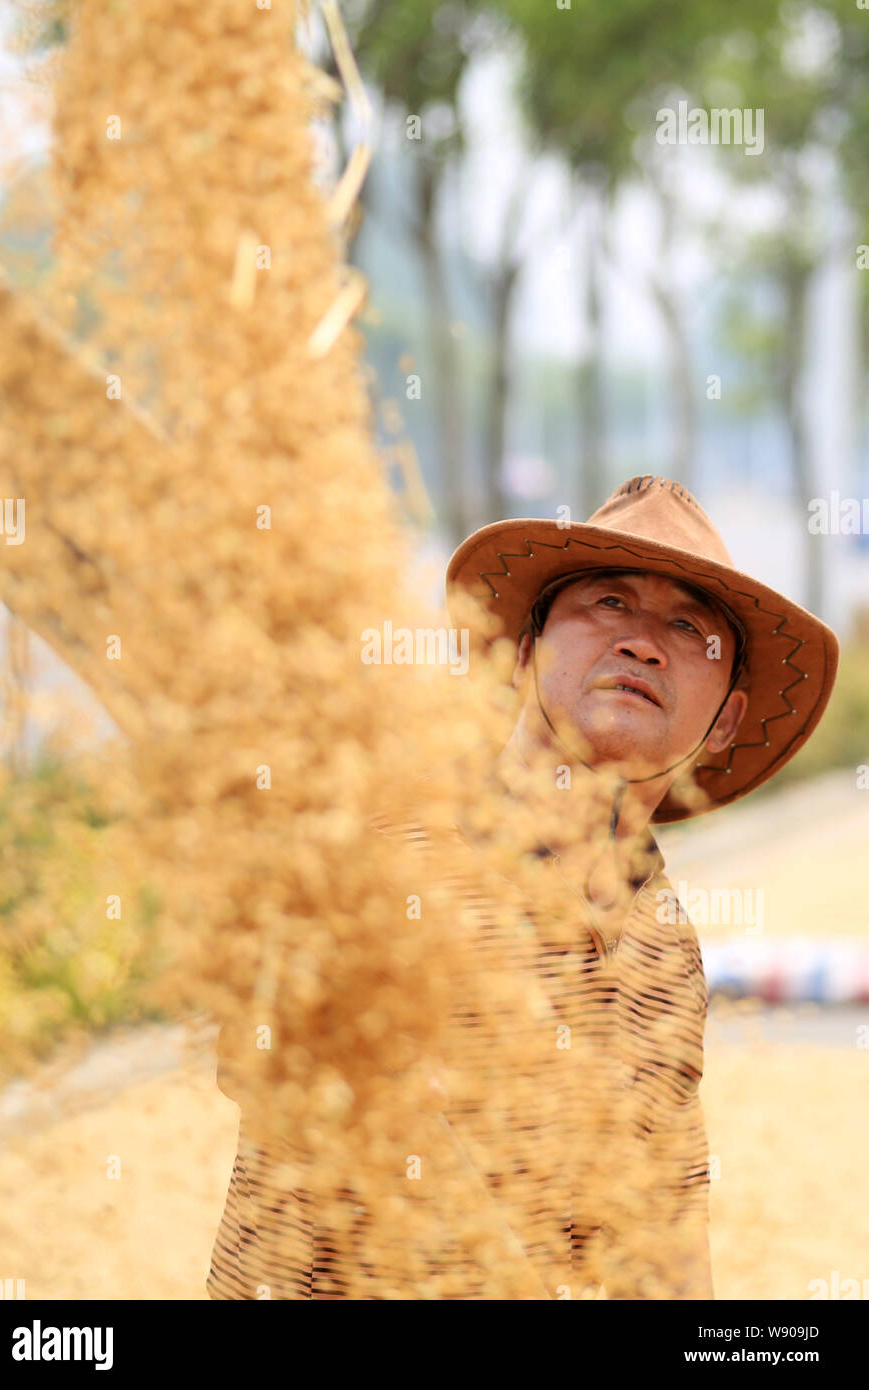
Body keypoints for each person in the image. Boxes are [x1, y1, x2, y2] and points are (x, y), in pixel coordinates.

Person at [207, 474, 839, 1300]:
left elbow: (666, 1237)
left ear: (724, 720)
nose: (642, 643)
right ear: (524, 652)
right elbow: (260, 1059)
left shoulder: (664, 946)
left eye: (687, 627)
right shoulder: (378, 840)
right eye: (608, 604)